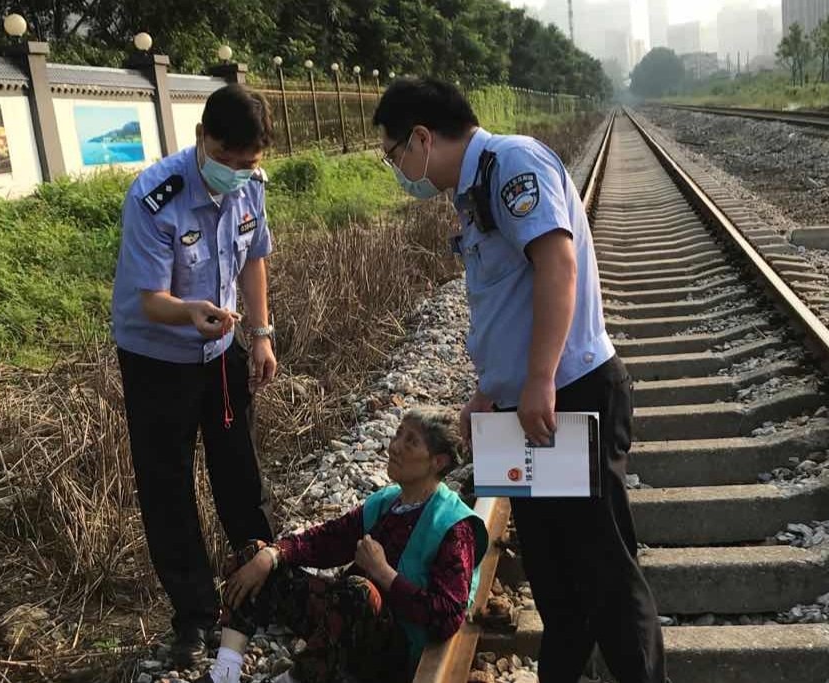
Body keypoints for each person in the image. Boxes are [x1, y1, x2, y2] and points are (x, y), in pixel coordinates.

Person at [371, 79, 666, 683]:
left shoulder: (512, 164)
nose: (398, 167)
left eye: (395, 152)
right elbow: (509, 298)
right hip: (530, 405)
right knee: (557, 581)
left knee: (604, 571)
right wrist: (494, 388)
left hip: (570, 395)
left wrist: (537, 378)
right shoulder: (472, 189)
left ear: (423, 137)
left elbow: (558, 264)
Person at [112, 83, 279, 668]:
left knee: (238, 465)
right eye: (228, 161)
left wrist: (259, 334)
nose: (238, 173)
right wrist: (190, 313)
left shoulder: (253, 189)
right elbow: (148, 299)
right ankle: (194, 614)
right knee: (168, 484)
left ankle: (258, 581)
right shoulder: (156, 196)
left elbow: (253, 256)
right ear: (202, 138)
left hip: (223, 348)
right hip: (159, 356)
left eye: (249, 163)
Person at [203, 407, 488, 683]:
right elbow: (328, 540)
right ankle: (225, 673)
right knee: (256, 557)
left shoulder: (454, 527)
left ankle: (294, 678)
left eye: (410, 442)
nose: (395, 447)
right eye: (398, 435)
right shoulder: (388, 503)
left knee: (358, 591)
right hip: (349, 628)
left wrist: (383, 573)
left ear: (437, 462)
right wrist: (275, 553)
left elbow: (448, 616)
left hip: (395, 654)